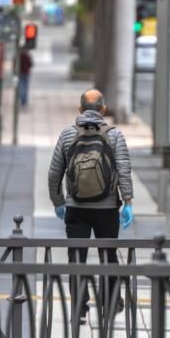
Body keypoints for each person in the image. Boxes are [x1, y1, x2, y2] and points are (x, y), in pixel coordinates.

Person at [48, 88, 134, 325]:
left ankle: (79, 309)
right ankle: (111, 302)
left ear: (80, 109)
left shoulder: (67, 135)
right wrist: (127, 202)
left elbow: (54, 173)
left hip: (76, 207)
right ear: (103, 110)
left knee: (77, 257)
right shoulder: (114, 135)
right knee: (108, 255)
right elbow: (124, 170)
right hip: (107, 208)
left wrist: (58, 202)